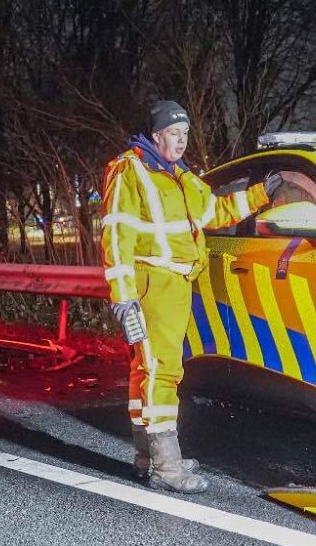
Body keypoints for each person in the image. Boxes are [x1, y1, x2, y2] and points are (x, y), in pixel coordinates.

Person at [99, 100, 267, 493]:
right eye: (174, 133)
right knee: (162, 370)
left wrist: (263, 193)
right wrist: (122, 296)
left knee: (146, 369)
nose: (181, 140)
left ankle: (149, 456)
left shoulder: (179, 175)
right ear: (156, 134)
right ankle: (167, 467)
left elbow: (216, 211)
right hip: (152, 280)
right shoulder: (131, 169)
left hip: (175, 284)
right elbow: (116, 234)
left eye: (186, 133)